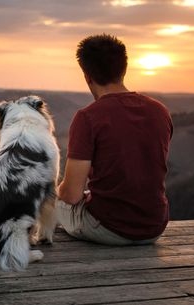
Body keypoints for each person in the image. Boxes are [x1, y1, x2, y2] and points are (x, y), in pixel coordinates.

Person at [56, 34, 173, 246]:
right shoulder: (160, 111)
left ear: (87, 76)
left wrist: (58, 190)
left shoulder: (88, 117)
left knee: (55, 200)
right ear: (124, 69)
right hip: (154, 227)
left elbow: (72, 195)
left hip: (109, 229)